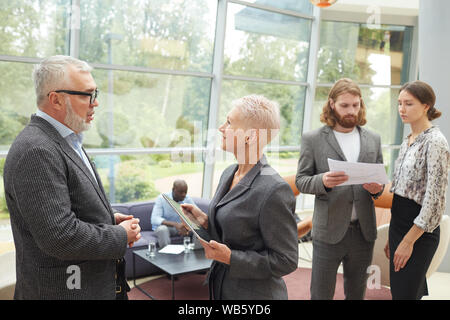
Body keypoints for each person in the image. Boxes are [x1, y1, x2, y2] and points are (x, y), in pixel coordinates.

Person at [3, 55, 141, 300]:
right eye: (86, 94)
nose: (95, 103)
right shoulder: (37, 150)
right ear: (56, 99)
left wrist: (108, 219)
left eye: (95, 93)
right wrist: (120, 235)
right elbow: (60, 237)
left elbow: (69, 206)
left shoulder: (66, 140)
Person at [181, 95, 298, 300]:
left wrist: (231, 258)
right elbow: (234, 233)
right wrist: (205, 222)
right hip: (222, 287)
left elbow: (286, 260)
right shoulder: (229, 173)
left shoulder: (274, 189)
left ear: (249, 137)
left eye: (229, 122)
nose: (220, 128)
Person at [295, 78, 384, 300]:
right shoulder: (313, 139)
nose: (351, 111)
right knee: (321, 294)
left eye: (355, 105)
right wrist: (323, 181)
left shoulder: (373, 139)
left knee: (356, 294)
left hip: (364, 232)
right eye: (345, 105)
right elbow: (301, 180)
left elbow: (380, 184)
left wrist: (376, 189)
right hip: (328, 232)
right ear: (332, 104)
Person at [385, 80, 450, 300]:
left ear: (426, 106)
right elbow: (401, 191)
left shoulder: (436, 142)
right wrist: (393, 236)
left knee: (405, 294)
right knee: (402, 292)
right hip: (399, 225)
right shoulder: (408, 140)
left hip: (419, 231)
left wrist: (408, 241)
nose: (402, 109)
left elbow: (435, 203)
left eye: (409, 104)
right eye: (400, 103)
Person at [151, 179, 196, 248]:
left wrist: (187, 226)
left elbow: (197, 216)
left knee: (199, 229)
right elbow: (155, 219)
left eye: (185, 192)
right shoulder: (162, 199)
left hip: (182, 228)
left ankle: (196, 254)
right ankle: (167, 255)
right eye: (181, 192)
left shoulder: (187, 199)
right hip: (168, 228)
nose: (184, 195)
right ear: (173, 189)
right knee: (162, 229)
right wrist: (175, 225)